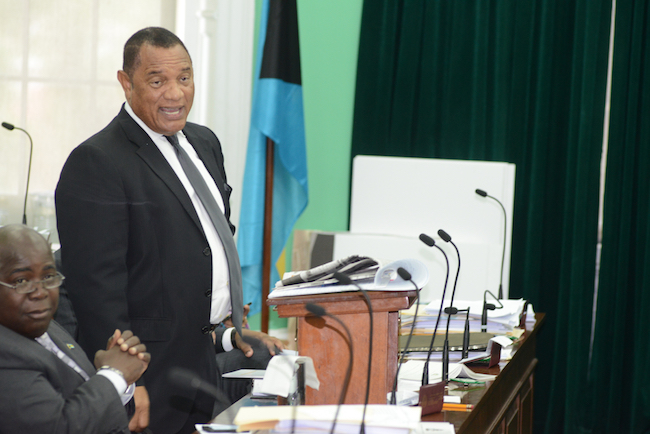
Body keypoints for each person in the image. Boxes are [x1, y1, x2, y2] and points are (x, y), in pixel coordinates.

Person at [55, 27, 283, 434]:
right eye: (157, 81)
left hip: (203, 363)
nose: (176, 94)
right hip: (148, 372)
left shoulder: (205, 142)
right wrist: (127, 381)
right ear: (126, 83)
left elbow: (209, 239)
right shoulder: (97, 161)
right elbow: (96, 292)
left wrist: (228, 324)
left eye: (185, 78)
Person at [0, 224, 150, 434]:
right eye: (21, 280)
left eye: (48, 277)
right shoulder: (5, 352)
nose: (40, 292)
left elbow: (83, 406)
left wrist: (118, 376)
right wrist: (114, 374)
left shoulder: (50, 328)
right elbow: (61, 427)